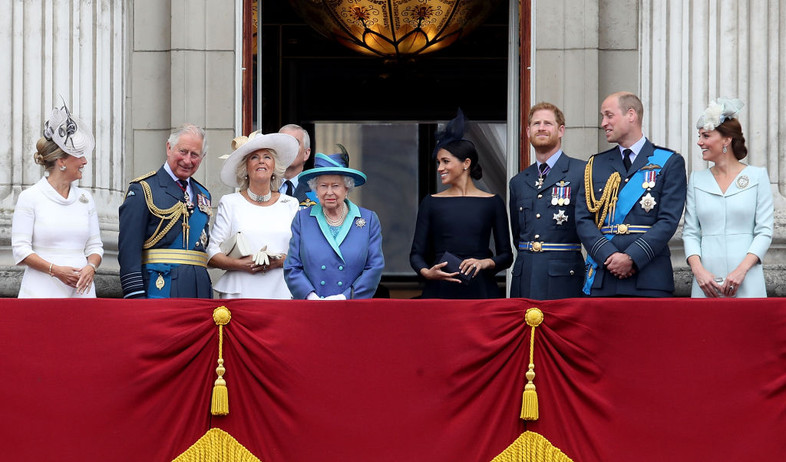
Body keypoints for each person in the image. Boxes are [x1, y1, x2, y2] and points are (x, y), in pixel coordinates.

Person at [575, 92, 687, 297]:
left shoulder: (669, 161)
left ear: (631, 115)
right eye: (602, 117)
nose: (603, 123)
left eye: (609, 115)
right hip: (603, 275)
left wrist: (632, 257)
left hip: (649, 276)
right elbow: (583, 219)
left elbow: (668, 221)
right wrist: (608, 255)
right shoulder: (595, 165)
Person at [410, 110, 513, 299]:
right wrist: (427, 272)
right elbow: (416, 254)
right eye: (438, 162)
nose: (440, 168)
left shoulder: (493, 202)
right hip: (440, 291)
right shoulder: (431, 202)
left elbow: (506, 256)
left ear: (466, 163)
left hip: (481, 290)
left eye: (445, 161)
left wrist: (484, 263)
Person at [683, 98, 773, 298]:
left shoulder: (757, 176)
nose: (700, 142)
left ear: (726, 140)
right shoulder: (697, 179)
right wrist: (699, 272)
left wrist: (741, 271)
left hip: (747, 278)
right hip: (706, 281)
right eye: (699, 136)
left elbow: (764, 231)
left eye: (706, 136)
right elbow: (690, 232)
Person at [11, 104, 103, 298]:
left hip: (81, 294)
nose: (84, 162)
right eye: (79, 156)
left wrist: (91, 267)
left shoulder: (86, 199)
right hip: (40, 293)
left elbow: (95, 247)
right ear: (61, 161)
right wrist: (55, 270)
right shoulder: (30, 198)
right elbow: (20, 249)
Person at [118, 124, 212, 299]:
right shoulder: (143, 189)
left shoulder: (203, 194)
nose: (187, 160)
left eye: (195, 155)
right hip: (160, 287)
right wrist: (135, 296)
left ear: (203, 157)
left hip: (198, 290)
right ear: (169, 148)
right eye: (183, 151)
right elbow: (128, 251)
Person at [206, 132, 300, 299]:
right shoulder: (230, 202)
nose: (261, 161)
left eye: (267, 157)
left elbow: (302, 253)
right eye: (254, 157)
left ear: (274, 168)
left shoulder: (291, 204)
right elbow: (212, 252)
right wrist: (239, 264)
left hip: (281, 293)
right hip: (239, 294)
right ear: (246, 169)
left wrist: (281, 260)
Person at [284, 147, 384, 299]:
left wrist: (345, 297)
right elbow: (292, 267)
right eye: (323, 186)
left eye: (335, 186)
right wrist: (310, 296)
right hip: (312, 307)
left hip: (352, 307)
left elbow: (374, 267)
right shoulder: (302, 219)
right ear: (316, 189)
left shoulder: (368, 220)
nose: (329, 192)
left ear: (347, 188)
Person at [509, 102, 586, 299]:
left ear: (561, 130)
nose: (541, 128)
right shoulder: (518, 182)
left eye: (547, 123)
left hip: (564, 278)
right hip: (525, 277)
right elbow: (518, 235)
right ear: (528, 131)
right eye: (536, 124)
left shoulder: (582, 172)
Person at [278, 124, 314, 206]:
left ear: (306, 153)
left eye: (294, 143)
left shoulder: (317, 190)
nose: (288, 148)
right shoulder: (263, 187)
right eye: (283, 143)